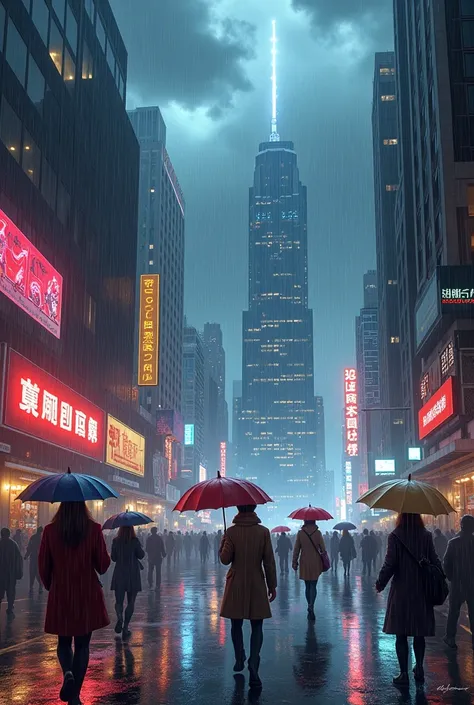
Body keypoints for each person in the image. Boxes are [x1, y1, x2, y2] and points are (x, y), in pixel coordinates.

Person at [38, 502, 110, 705]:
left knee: (63, 642)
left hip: (62, 593)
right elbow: (103, 566)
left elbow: (43, 565)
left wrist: (51, 585)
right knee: (82, 645)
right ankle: (75, 695)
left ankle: (68, 672)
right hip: (86, 594)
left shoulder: (50, 531)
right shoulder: (94, 529)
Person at [375, 512, 443, 686]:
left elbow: (390, 563)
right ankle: (419, 668)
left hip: (402, 591)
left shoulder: (395, 536)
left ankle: (404, 674)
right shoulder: (426, 535)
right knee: (419, 633)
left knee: (401, 633)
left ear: (401, 517)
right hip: (422, 591)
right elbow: (436, 561)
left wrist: (381, 582)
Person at [219, 504, 277, 689]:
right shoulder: (263, 532)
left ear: (237, 509)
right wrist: (272, 585)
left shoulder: (231, 532)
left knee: (235, 624)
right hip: (256, 582)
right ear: (254, 508)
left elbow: (225, 560)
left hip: (235, 582)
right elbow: (268, 561)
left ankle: (239, 657)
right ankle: (253, 662)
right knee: (257, 625)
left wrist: (224, 543)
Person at [443, 514, 474, 649]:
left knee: (453, 612)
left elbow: (446, 563)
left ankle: (450, 638)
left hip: (457, 584)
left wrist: (451, 578)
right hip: (472, 584)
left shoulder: (453, 543)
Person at [111, 525, 145, 639]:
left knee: (119, 601)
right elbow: (141, 555)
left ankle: (119, 617)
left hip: (120, 573)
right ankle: (125, 627)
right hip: (132, 573)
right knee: (131, 601)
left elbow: (113, 558)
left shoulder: (116, 541)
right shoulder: (135, 541)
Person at [292, 520, 326, 620]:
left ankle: (309, 604)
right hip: (315, 561)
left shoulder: (300, 533)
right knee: (314, 585)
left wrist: (294, 561)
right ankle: (312, 605)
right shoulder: (318, 533)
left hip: (304, 561)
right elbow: (323, 549)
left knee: (307, 585)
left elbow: (296, 549)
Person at [0, 527, 23, 616]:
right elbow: (19, 559)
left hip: (1, 574)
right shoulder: (13, 545)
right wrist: (19, 573)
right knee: (11, 593)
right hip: (10, 574)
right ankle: (10, 609)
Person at [25, 526, 43, 595]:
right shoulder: (42, 538)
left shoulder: (33, 537)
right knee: (39, 573)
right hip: (39, 558)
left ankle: (31, 587)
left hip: (33, 558)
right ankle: (40, 587)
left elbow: (29, 547)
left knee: (32, 573)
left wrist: (26, 555)